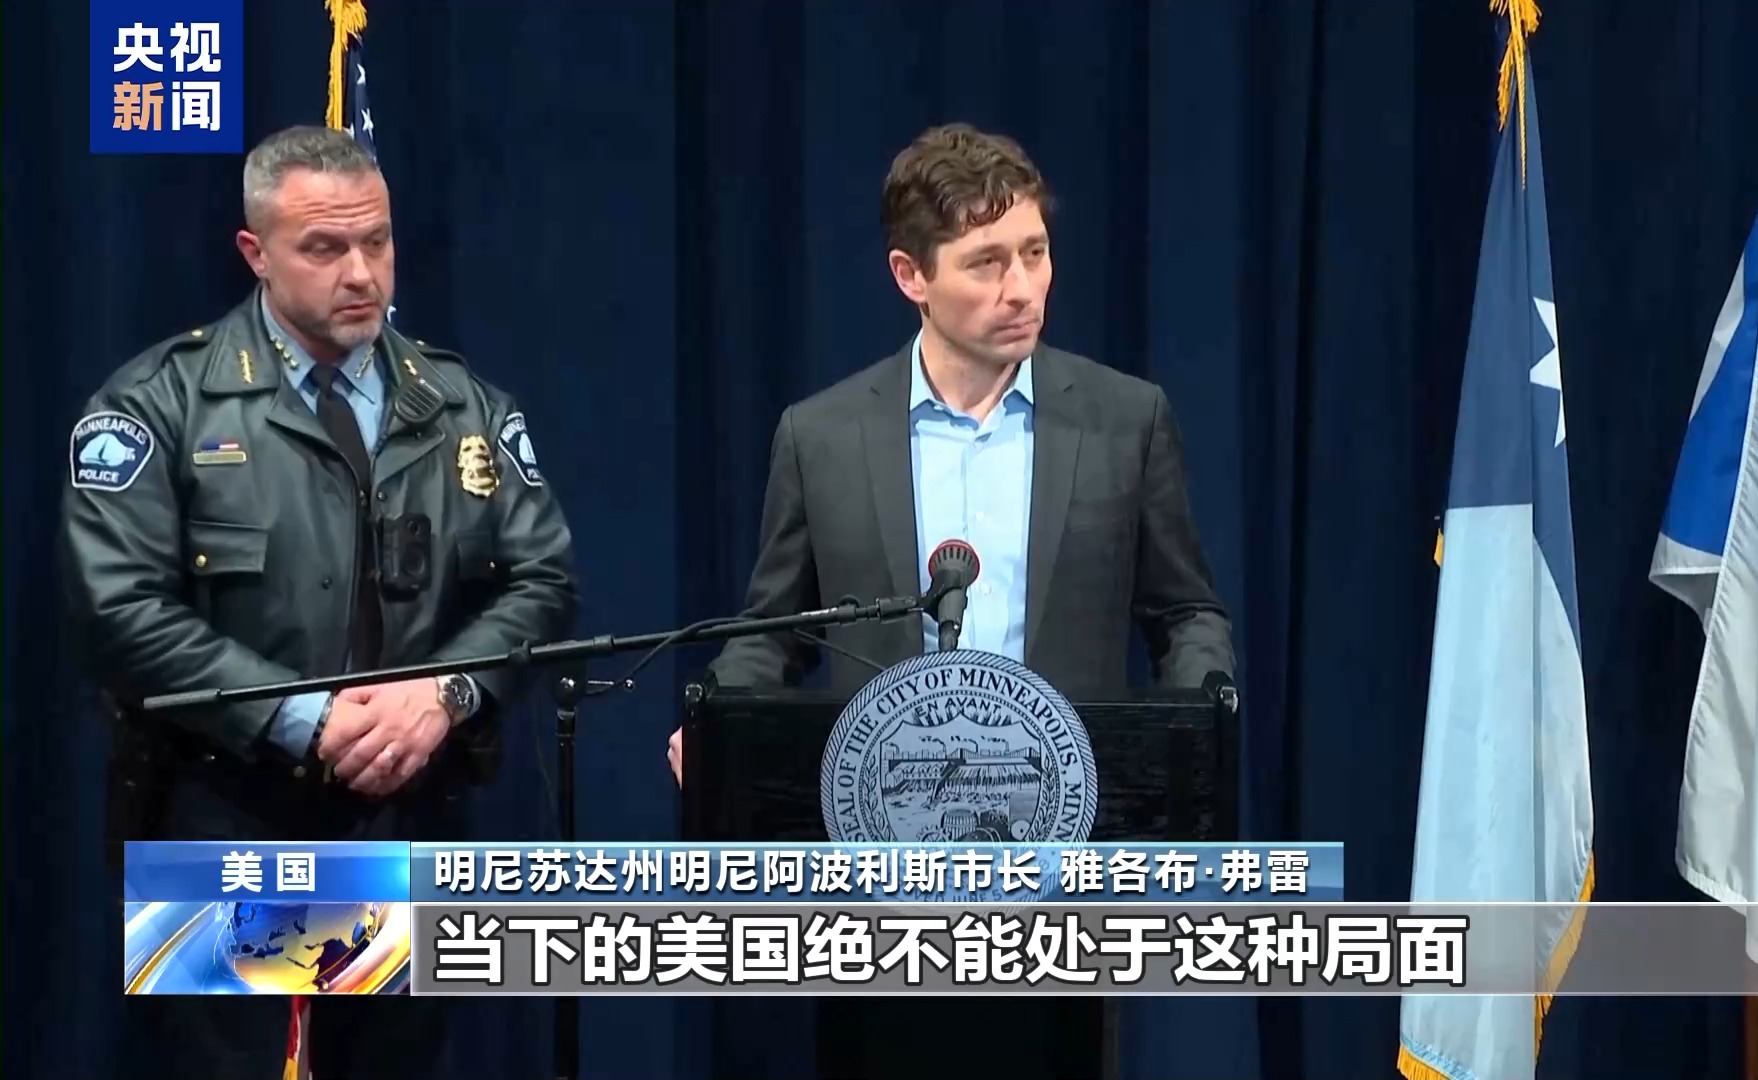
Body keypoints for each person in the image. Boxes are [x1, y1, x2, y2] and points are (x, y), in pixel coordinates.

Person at [672, 122, 1235, 1080]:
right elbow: (774, 630)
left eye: (1035, 253)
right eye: (986, 263)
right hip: (880, 873)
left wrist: (1191, 734)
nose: (1023, 288)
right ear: (911, 276)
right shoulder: (822, 435)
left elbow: (1186, 613)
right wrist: (717, 721)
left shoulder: (1123, 420)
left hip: (1060, 873)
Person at [59, 125, 579, 1080]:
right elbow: (117, 609)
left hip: (407, 816)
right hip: (220, 815)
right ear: (255, 252)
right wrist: (306, 718)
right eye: (325, 248)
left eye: (376, 241)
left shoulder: (461, 404)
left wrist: (445, 693)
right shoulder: (160, 404)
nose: (361, 273)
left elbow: (543, 581)